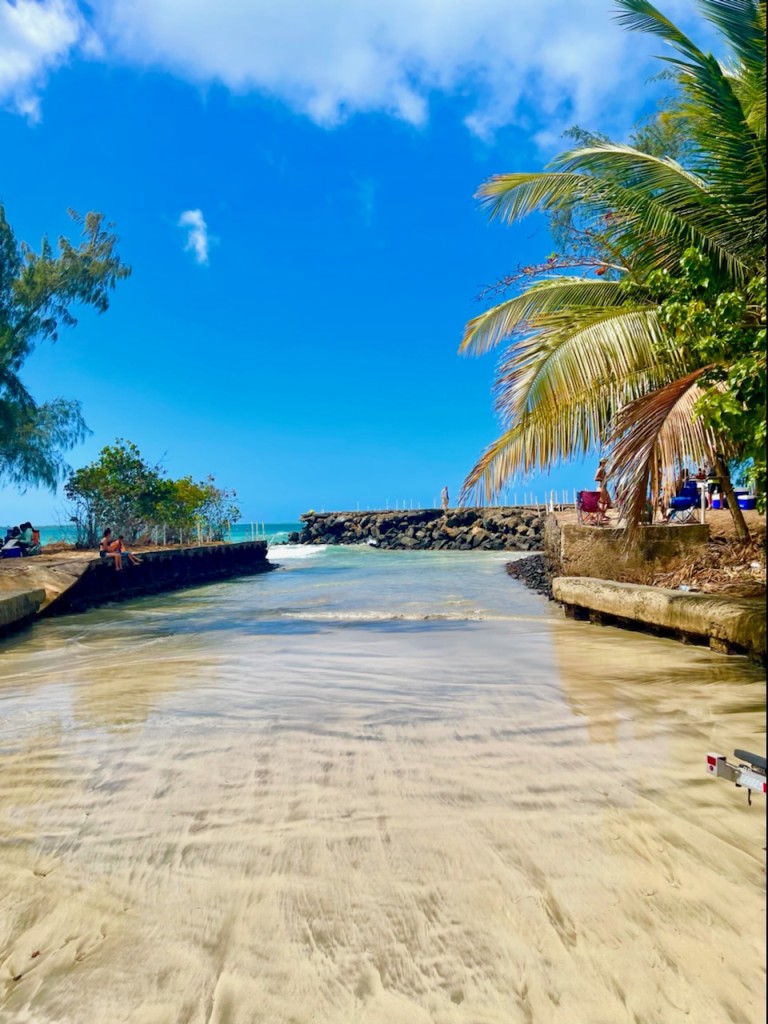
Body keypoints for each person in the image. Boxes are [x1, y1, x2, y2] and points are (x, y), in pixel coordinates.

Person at [594, 458, 612, 522]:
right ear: (602, 463)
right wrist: (603, 479)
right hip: (601, 488)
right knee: (603, 503)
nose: (606, 464)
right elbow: (595, 478)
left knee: (608, 502)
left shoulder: (602, 469)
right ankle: (601, 516)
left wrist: (606, 478)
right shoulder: (600, 469)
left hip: (603, 488)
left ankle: (603, 515)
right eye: (605, 462)